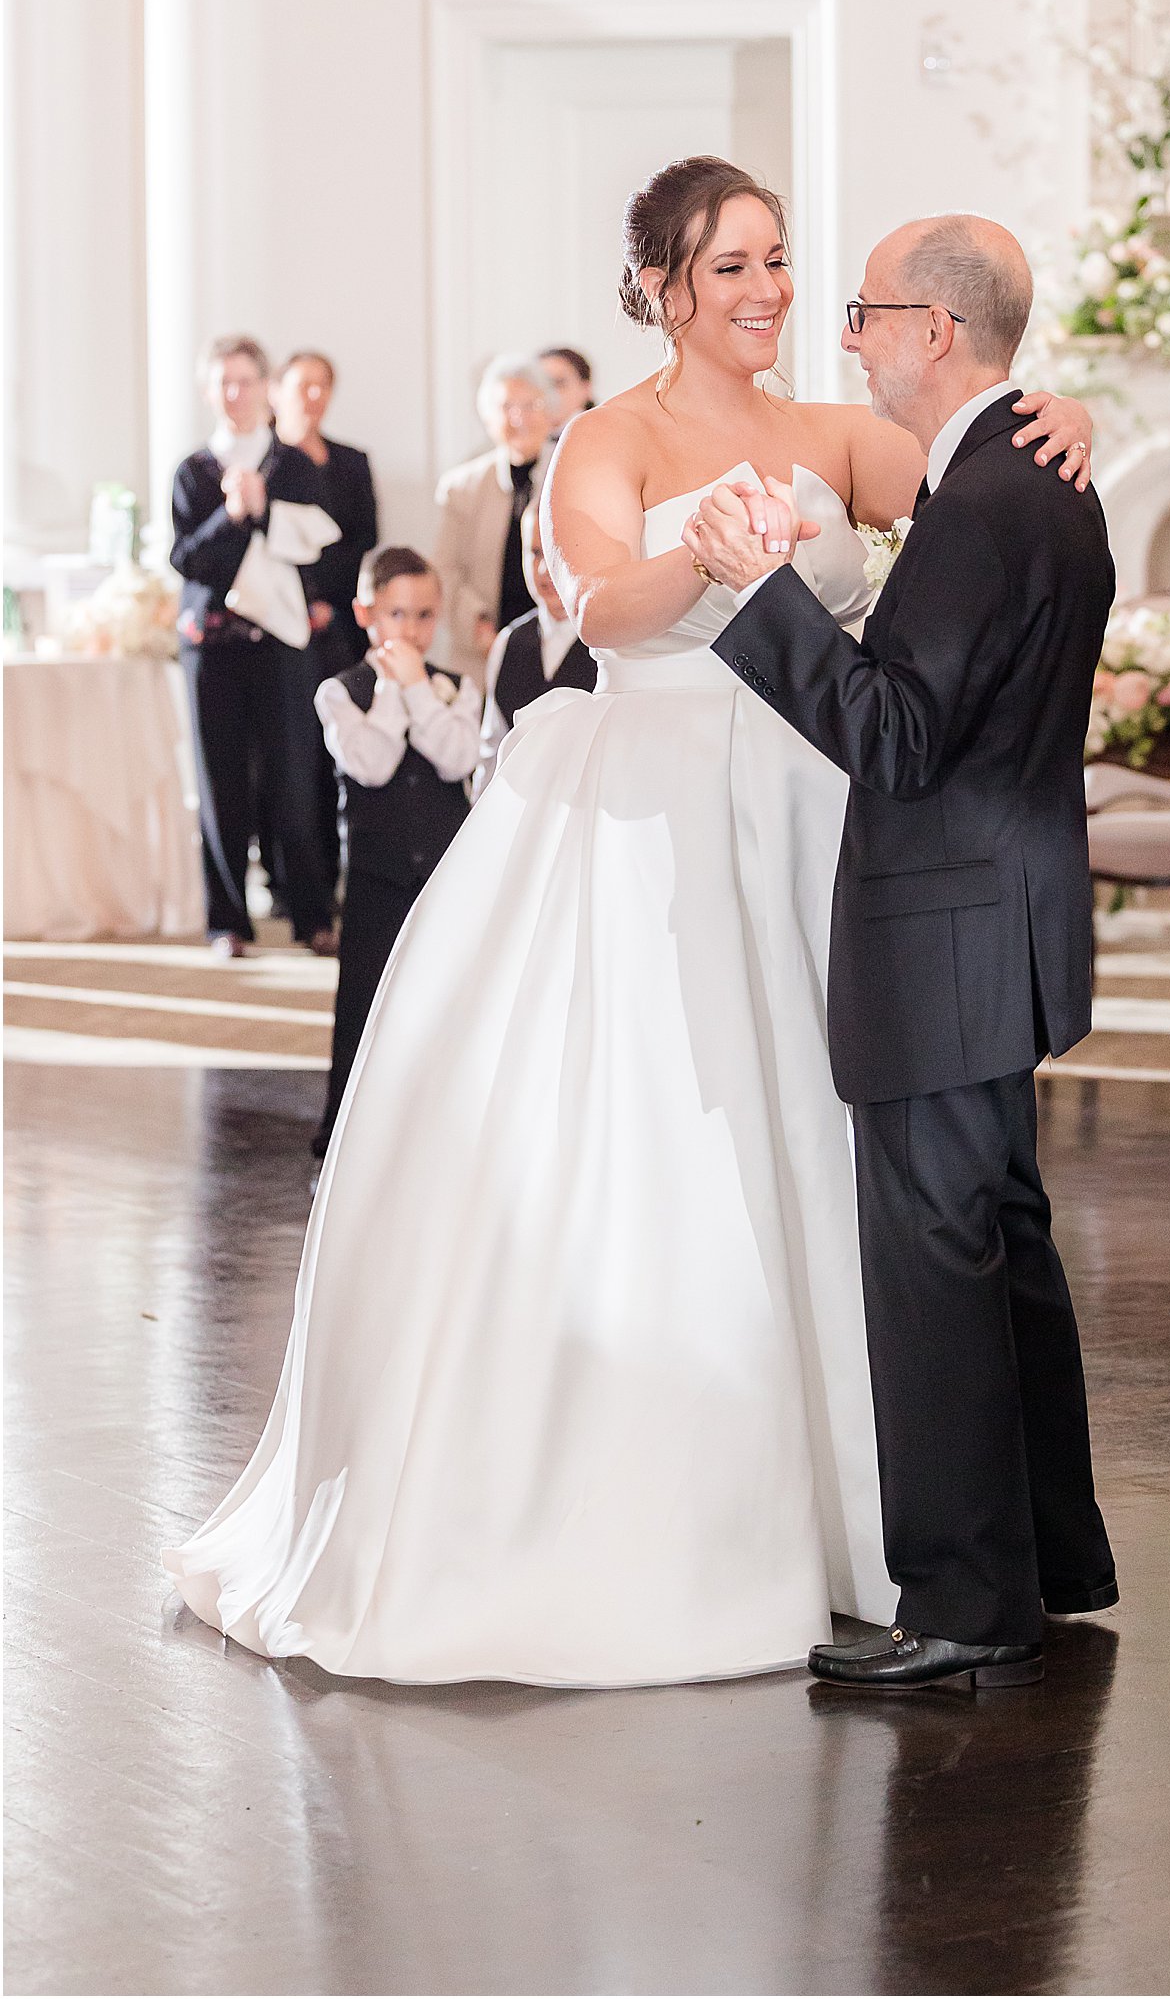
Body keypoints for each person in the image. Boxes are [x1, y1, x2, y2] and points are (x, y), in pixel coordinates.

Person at [163, 155, 1094, 1689]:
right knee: (675, 1133)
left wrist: (1072, 416)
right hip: (651, 796)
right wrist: (710, 557)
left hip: (816, 808)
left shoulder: (831, 430)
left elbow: (979, 475)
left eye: (783, 263)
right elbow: (592, 607)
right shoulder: (610, 434)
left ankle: (905, 1529)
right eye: (734, 266)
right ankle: (690, 1512)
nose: (771, 293)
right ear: (662, 285)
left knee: (857, 1155)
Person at [685, 214, 1117, 1690]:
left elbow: (896, 731)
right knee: (1004, 1248)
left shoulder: (990, 497)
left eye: (866, 309)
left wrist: (761, 594)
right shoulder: (1036, 477)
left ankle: (965, 1603)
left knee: (936, 1264)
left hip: (944, 925)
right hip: (1004, 912)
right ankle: (1050, 1561)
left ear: (937, 330)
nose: (845, 330)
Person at [310, 548, 480, 1166]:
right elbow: (372, 764)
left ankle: (445, 1128)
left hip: (443, 874)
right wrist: (393, 691)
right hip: (376, 878)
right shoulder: (339, 693)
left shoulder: (458, 688)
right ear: (365, 613)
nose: (409, 631)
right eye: (396, 614)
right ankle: (350, 1134)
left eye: (423, 615)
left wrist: (419, 692)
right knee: (366, 1001)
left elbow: (458, 758)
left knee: (444, 994)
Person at [169, 334, 337, 960]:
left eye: (244, 380)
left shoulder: (293, 464)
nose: (234, 393)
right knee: (220, 785)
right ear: (208, 392)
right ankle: (227, 923)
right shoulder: (193, 470)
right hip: (211, 647)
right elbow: (189, 560)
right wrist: (234, 517)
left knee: (296, 780)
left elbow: (321, 542)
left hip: (281, 644)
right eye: (222, 382)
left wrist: (265, 512)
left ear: (266, 387)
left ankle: (313, 915)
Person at [273, 350, 380, 897]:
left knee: (338, 749)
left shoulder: (352, 461)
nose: (313, 396)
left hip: (340, 624)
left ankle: (339, 881)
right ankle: (292, 885)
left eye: (323, 386)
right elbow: (269, 546)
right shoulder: (269, 459)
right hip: (282, 629)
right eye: (303, 385)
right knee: (290, 762)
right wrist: (301, 598)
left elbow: (363, 543)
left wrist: (331, 603)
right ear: (280, 391)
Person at [432, 357, 553, 689]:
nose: (519, 417)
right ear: (487, 417)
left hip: (558, 643)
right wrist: (480, 629)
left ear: (550, 412)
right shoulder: (461, 486)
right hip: (481, 651)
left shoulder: (572, 472)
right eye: (507, 406)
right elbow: (446, 569)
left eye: (531, 405)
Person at [474, 492, 596, 800]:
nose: (544, 569)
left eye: (557, 551)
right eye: (535, 553)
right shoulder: (508, 642)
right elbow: (493, 746)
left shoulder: (609, 643)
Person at [539, 345, 596, 434]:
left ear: (586, 388)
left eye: (559, 383)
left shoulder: (603, 433)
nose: (549, 393)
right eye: (541, 385)